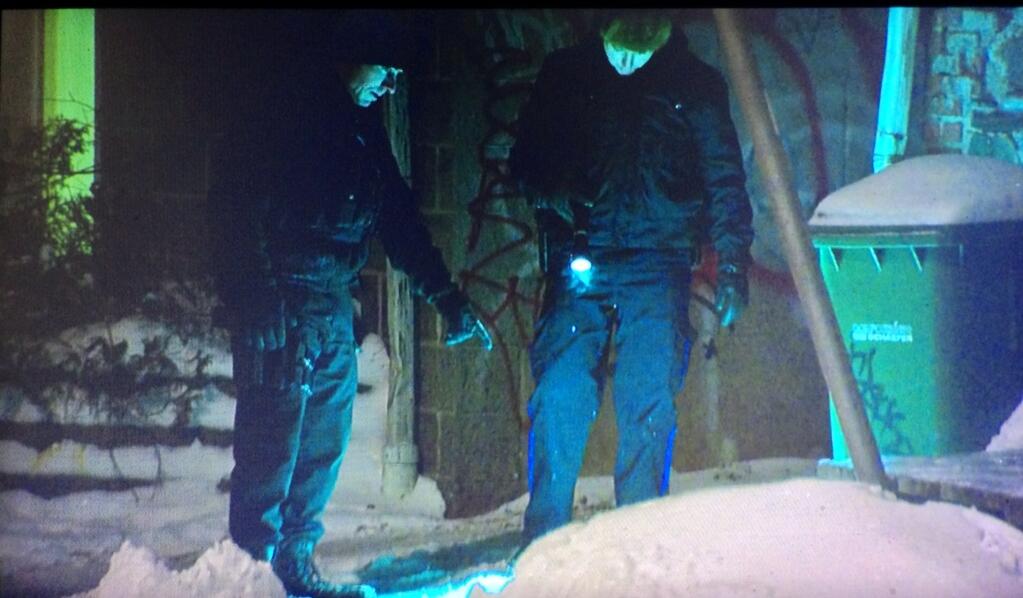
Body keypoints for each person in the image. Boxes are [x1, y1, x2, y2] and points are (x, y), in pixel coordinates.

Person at [207, 11, 491, 598]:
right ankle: (249, 573)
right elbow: (234, 205)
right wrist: (254, 296)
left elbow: (400, 221)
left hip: (331, 299)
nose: (388, 85)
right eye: (383, 70)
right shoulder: (283, 109)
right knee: (271, 442)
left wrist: (447, 298)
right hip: (282, 298)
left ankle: (293, 561)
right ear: (350, 57)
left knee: (323, 442)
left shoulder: (363, 131)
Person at [509, 10, 754, 546]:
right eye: (618, 44)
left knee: (648, 400)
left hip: (657, 262)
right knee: (561, 393)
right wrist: (556, 193)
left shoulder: (693, 83)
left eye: (637, 47)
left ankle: (637, 542)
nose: (626, 57)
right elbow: (524, 160)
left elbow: (723, 177)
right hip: (583, 255)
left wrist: (733, 264)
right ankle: (545, 539)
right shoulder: (570, 73)